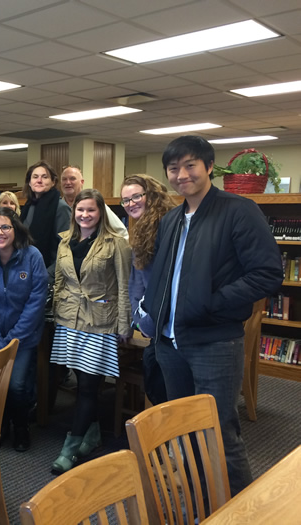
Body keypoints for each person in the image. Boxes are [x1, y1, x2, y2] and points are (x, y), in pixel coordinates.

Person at [142, 135, 283, 496]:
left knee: (219, 431)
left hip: (214, 344)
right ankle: (200, 504)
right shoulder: (172, 219)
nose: (181, 174)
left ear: (209, 167)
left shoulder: (239, 210)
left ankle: (244, 513)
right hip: (170, 344)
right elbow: (166, 276)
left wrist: (211, 302)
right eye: (174, 168)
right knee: (184, 431)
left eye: (190, 165)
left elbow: (267, 273)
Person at [50, 189, 131, 474]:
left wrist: (125, 325)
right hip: (68, 320)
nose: (84, 215)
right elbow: (60, 281)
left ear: (101, 213)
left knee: (88, 386)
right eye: (80, 210)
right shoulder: (65, 240)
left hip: (100, 322)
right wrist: (55, 313)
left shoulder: (116, 243)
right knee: (79, 383)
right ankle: (93, 434)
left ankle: (69, 449)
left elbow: (124, 286)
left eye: (91, 210)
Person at [0, 208, 48, 452]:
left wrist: (14, 337)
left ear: (16, 229)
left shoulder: (32, 256)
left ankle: (21, 427)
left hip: (23, 337)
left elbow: (37, 299)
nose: (0, 232)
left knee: (16, 386)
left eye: (5, 227)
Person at [120, 174, 177, 406]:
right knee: (157, 383)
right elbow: (138, 281)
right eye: (126, 200)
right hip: (154, 322)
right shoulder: (143, 229)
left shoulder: (166, 227)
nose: (130, 203)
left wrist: (143, 319)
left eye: (136, 196)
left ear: (151, 195)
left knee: (164, 388)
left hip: (169, 324)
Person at [20, 160, 71, 275]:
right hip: (27, 271)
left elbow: (66, 249)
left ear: (53, 182)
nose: (39, 180)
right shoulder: (28, 206)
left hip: (49, 273)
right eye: (35, 177)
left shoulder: (60, 207)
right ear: (29, 182)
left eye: (44, 177)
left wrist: (47, 275)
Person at [60, 165, 128, 238]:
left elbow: (121, 231)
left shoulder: (95, 204)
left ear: (82, 182)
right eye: (64, 179)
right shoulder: (58, 207)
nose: (67, 182)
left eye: (72, 179)